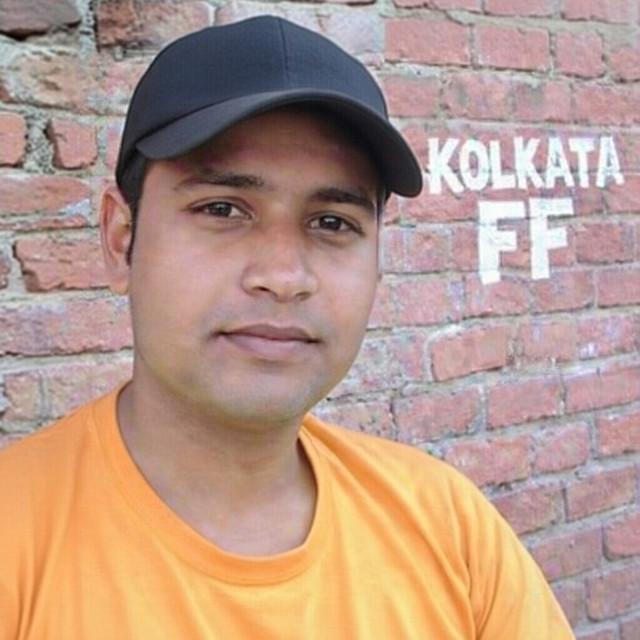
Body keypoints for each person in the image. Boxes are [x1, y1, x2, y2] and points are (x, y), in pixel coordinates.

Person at [0, 15, 573, 639]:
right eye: (222, 209)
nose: (283, 276)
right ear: (120, 239)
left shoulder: (450, 529)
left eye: (332, 223)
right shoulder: (17, 539)